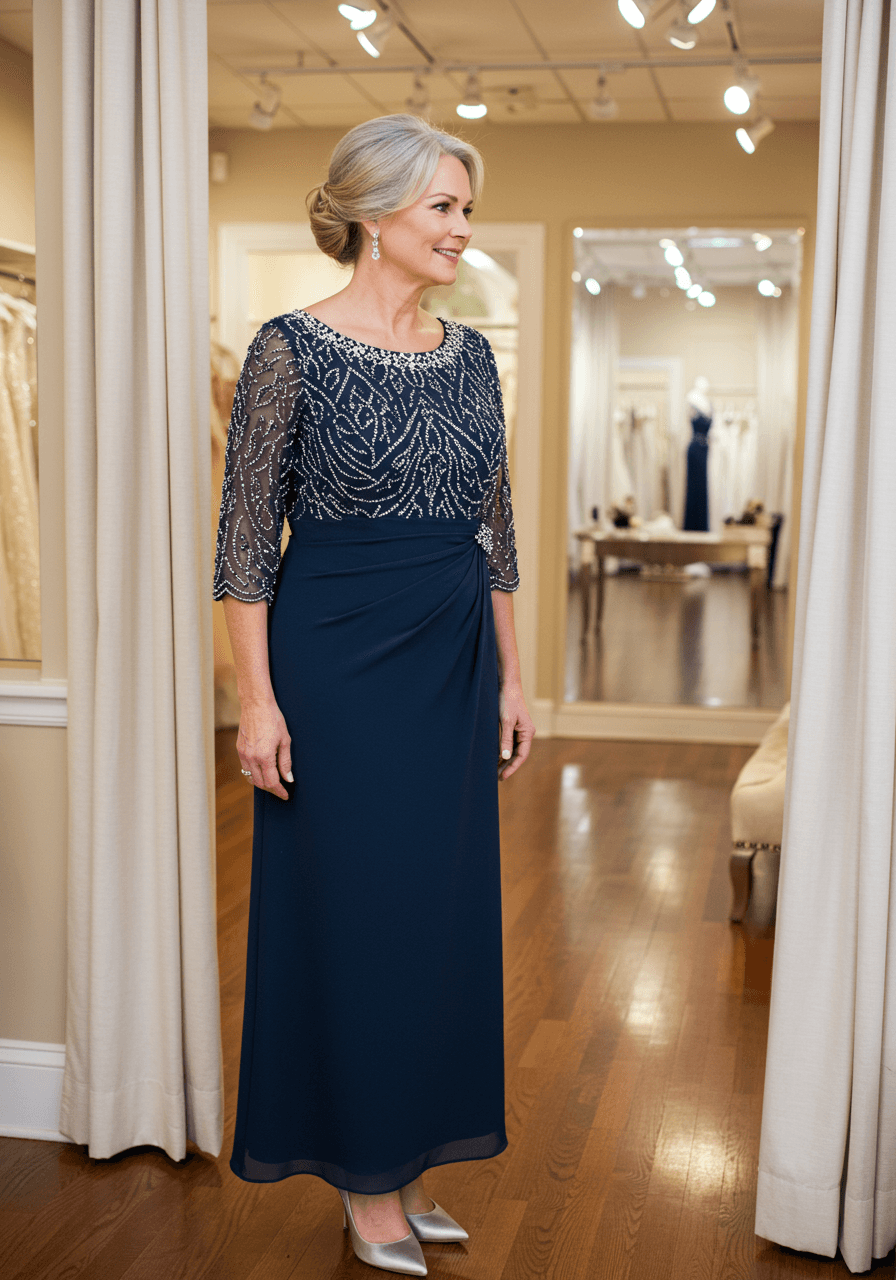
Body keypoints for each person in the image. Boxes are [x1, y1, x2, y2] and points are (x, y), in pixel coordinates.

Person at [213, 113, 535, 1277]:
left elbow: (492, 527)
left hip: (449, 657)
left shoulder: (473, 354)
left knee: (434, 917)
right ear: (373, 214)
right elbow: (246, 541)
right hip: (335, 663)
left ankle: (400, 1162)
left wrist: (512, 675)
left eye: (464, 207)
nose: (462, 226)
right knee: (349, 917)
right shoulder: (287, 348)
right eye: (443, 206)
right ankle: (362, 1182)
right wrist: (257, 699)